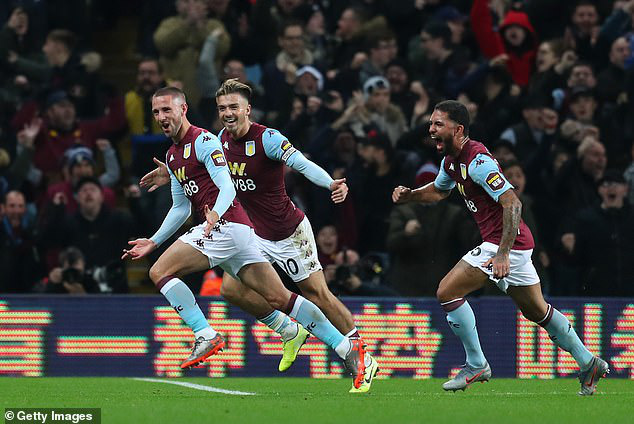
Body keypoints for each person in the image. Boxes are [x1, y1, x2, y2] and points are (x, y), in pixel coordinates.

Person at [128, 87, 367, 389]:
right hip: (250, 230)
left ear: (183, 109)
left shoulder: (210, 140)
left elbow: (233, 186)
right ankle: (338, 347)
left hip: (254, 227)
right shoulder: (187, 150)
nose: (162, 117)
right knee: (276, 297)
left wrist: (331, 182)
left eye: (167, 110)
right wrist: (153, 239)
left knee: (160, 271)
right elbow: (179, 206)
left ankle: (205, 334)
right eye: (156, 112)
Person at [392, 100, 609, 395]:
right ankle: (588, 363)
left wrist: (503, 252)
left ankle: (476, 364)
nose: (430, 130)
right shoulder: (451, 163)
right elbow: (439, 191)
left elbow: (513, 203)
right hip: (512, 243)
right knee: (538, 312)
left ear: (458, 130)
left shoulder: (478, 161)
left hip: (504, 243)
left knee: (447, 291)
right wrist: (410, 195)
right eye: (431, 124)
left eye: (437, 124)